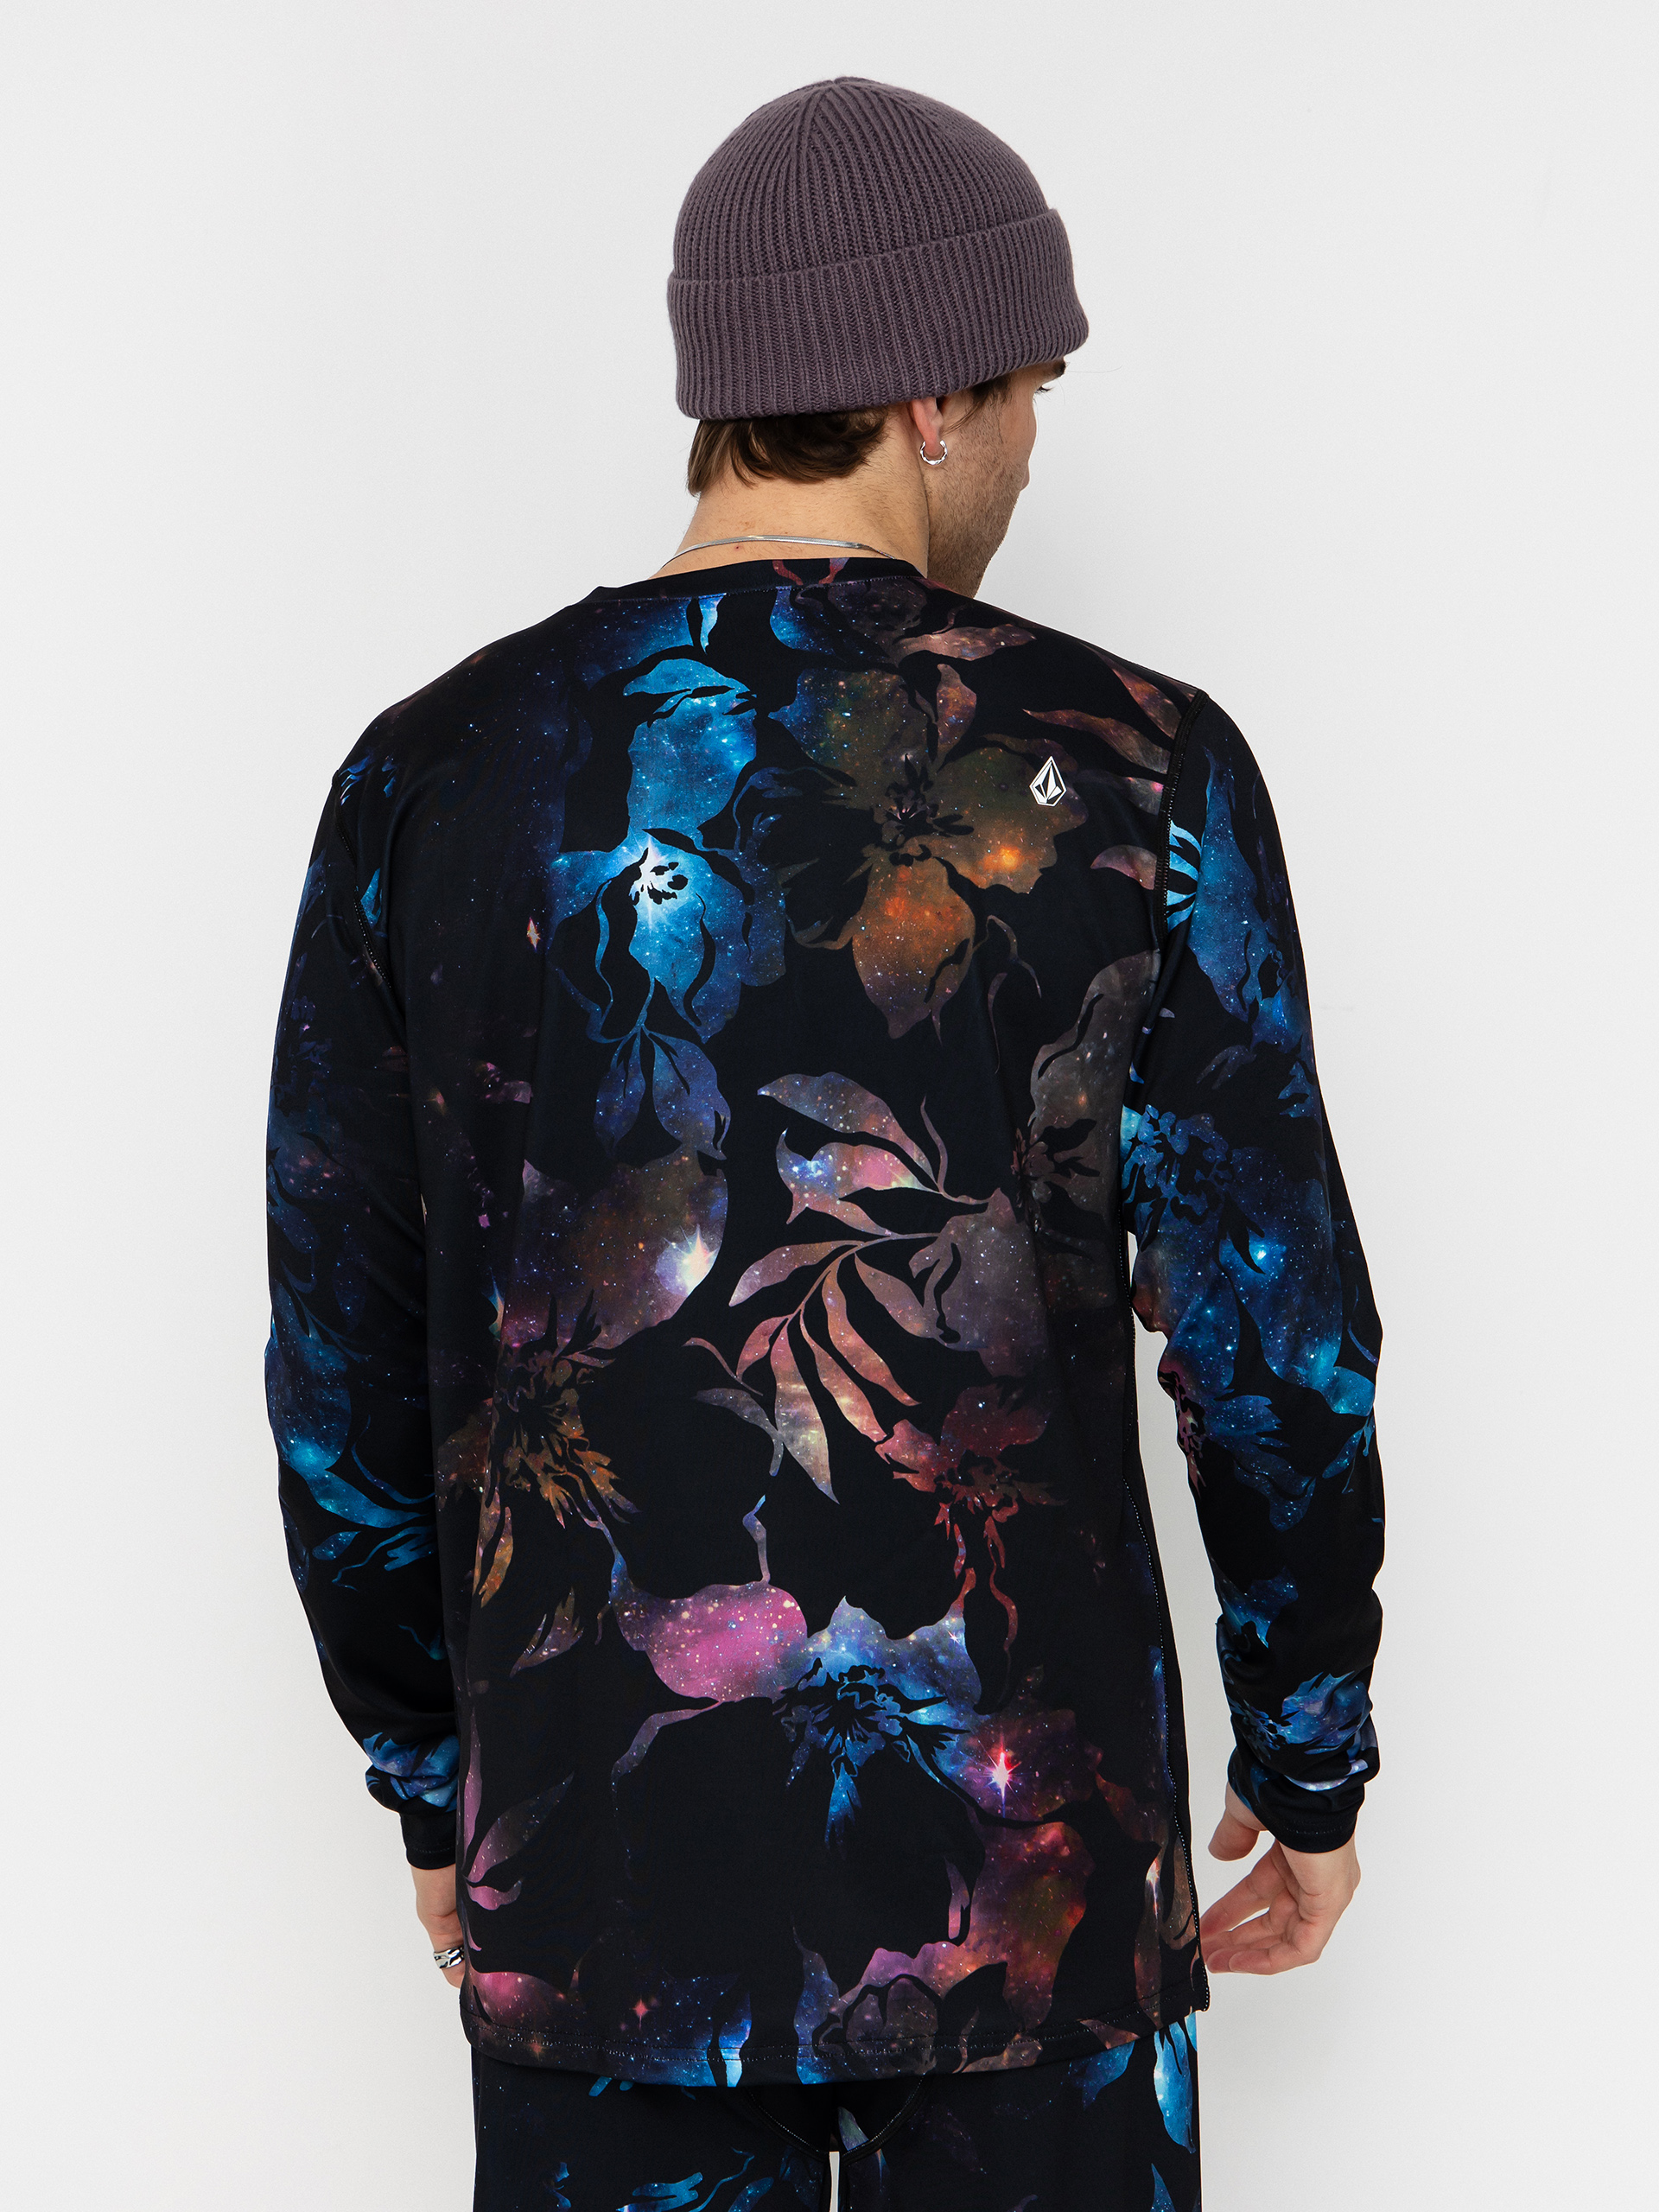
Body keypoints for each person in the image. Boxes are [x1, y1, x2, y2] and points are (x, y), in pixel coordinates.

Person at [265, 76, 1383, 2212]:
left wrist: (433, 1777)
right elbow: (1277, 1344)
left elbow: (343, 1361)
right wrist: (1307, 1745)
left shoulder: (431, 778)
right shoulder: (1135, 767)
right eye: (1034, 388)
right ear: (934, 393)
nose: (1036, 447)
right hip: (1034, 1878)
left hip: (595, 1859)